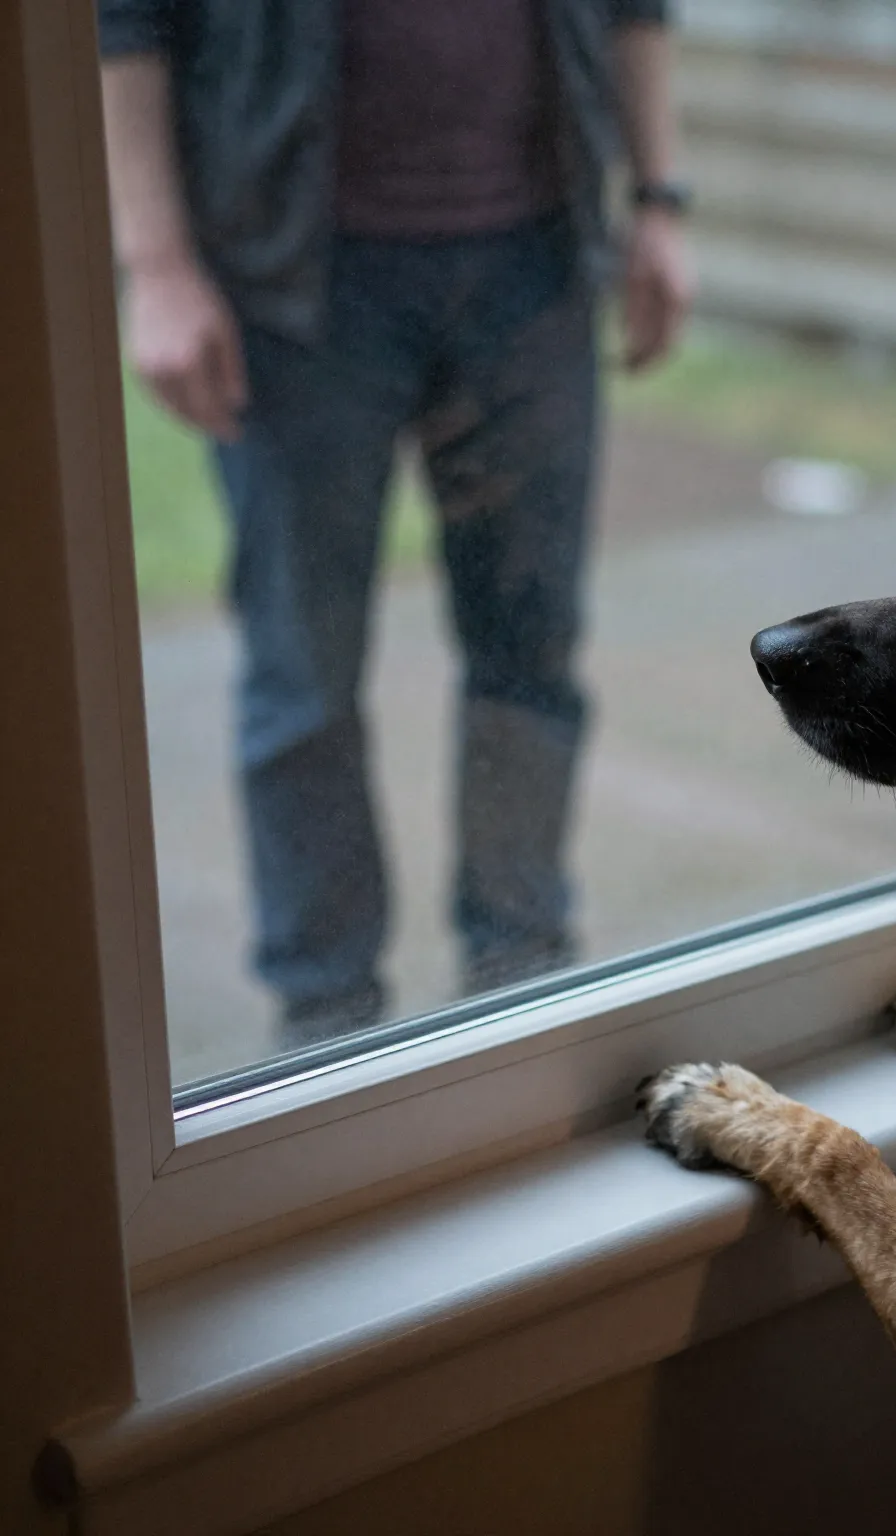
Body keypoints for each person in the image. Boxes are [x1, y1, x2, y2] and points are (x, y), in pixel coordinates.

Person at [98, 0, 695, 1044]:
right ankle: (326, 1018)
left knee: (529, 649)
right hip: (292, 281)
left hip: (535, 264)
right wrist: (154, 264)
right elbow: (123, 20)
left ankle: (520, 970)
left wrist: (658, 198)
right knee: (304, 675)